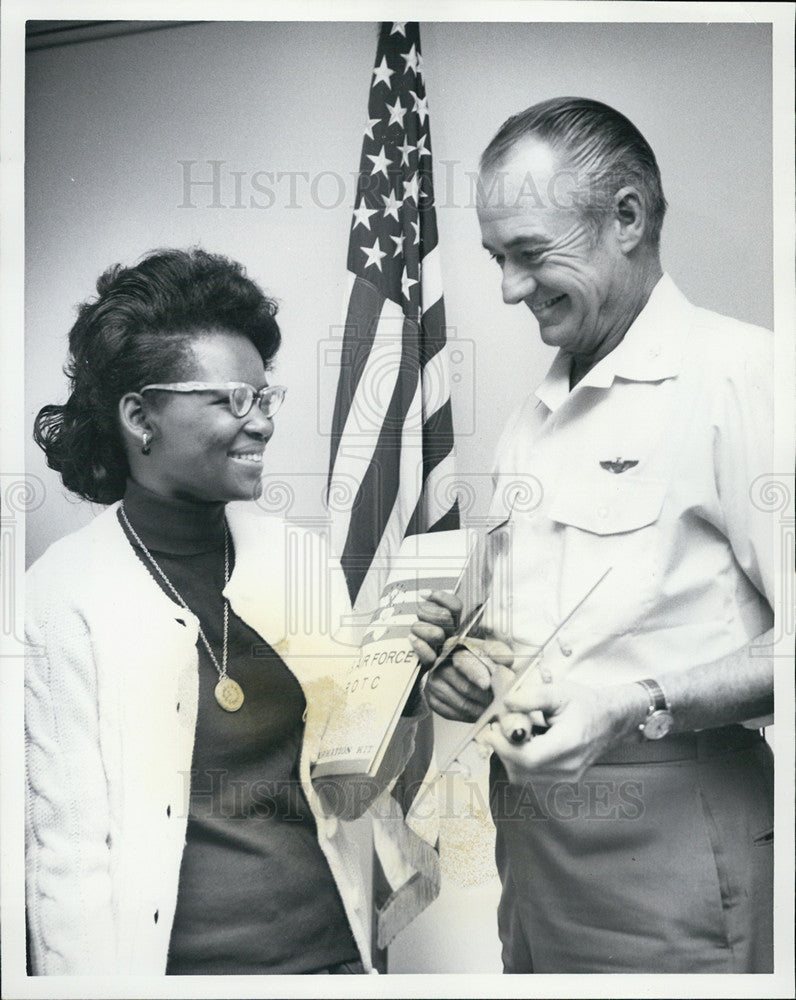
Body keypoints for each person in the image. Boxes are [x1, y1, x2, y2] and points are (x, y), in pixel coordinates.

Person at [410, 97, 775, 973]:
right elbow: (545, 632)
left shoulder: (746, 378)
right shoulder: (532, 417)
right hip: (531, 846)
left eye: (530, 254)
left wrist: (631, 703)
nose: (507, 288)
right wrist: (468, 671)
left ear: (626, 217)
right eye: (498, 258)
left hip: (673, 836)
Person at [25, 247, 428, 975]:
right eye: (231, 400)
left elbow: (355, 785)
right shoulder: (62, 595)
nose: (263, 424)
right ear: (140, 417)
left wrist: (406, 689)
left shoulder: (297, 560)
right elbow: (68, 860)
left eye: (264, 396)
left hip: (332, 960)